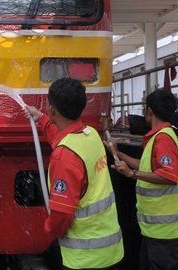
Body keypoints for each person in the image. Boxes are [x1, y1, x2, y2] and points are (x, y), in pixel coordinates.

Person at [24, 78, 123, 269]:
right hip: (111, 251)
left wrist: (48, 228)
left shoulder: (64, 156)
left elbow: (61, 219)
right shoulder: (91, 135)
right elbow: (62, 137)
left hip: (85, 260)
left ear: (52, 109)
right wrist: (41, 118)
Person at [107, 89, 178, 270]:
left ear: (149, 111)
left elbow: (167, 175)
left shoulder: (163, 139)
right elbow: (144, 165)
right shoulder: (158, 137)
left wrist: (131, 175)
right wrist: (118, 153)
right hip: (156, 229)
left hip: (166, 230)